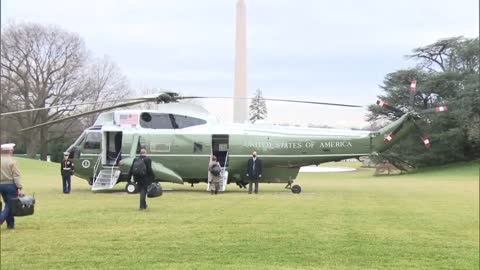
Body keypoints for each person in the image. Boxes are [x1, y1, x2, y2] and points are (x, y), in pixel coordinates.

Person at [0, 143, 25, 229]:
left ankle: (10, 224)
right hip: (10, 185)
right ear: (9, 151)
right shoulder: (13, 162)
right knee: (9, 205)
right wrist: (20, 188)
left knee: (8, 204)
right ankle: (1, 219)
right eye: (12, 150)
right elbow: (16, 176)